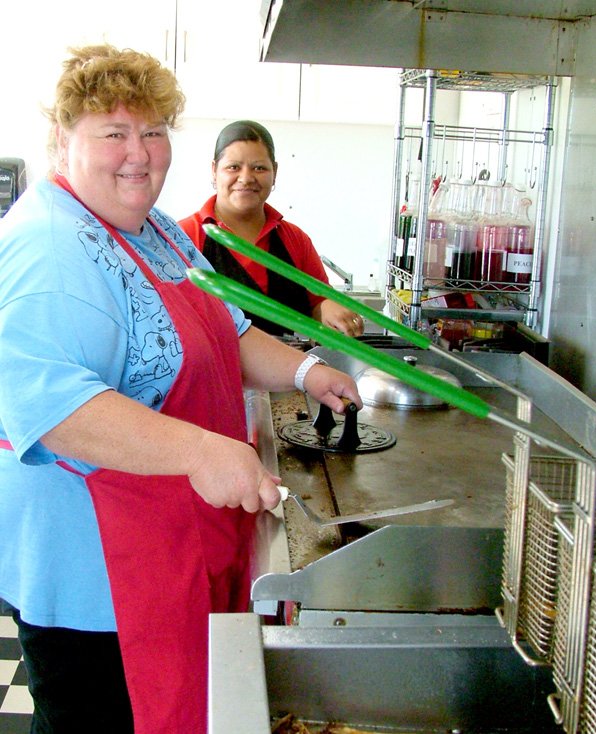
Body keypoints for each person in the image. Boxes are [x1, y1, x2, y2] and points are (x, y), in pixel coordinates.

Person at [0, 45, 362, 734]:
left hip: (173, 547)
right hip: (97, 576)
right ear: (61, 139)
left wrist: (305, 371)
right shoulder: (46, 242)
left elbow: (225, 330)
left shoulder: (158, 232)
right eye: (113, 133)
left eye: (154, 130)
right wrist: (200, 451)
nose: (139, 153)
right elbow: (49, 408)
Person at [178, 120, 365, 338]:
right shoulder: (183, 237)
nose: (246, 178)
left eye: (259, 168)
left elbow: (318, 302)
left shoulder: (294, 239)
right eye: (233, 167)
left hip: (287, 369)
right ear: (214, 170)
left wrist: (328, 309)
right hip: (215, 370)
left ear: (274, 172)